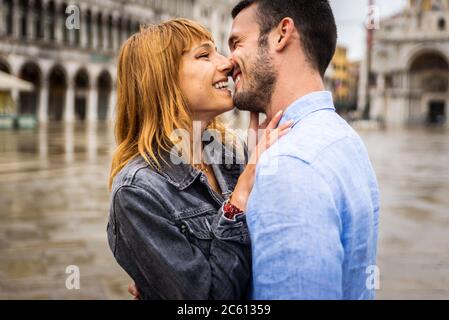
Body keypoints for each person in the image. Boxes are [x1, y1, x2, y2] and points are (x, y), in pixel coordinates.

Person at [107, 18, 292, 300]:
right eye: (204, 55)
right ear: (163, 78)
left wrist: (260, 165)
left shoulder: (233, 155)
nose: (227, 62)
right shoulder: (137, 192)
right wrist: (240, 196)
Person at [227, 0, 380, 300]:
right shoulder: (346, 140)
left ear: (282, 34)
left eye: (236, 43)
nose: (228, 60)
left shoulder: (288, 166)